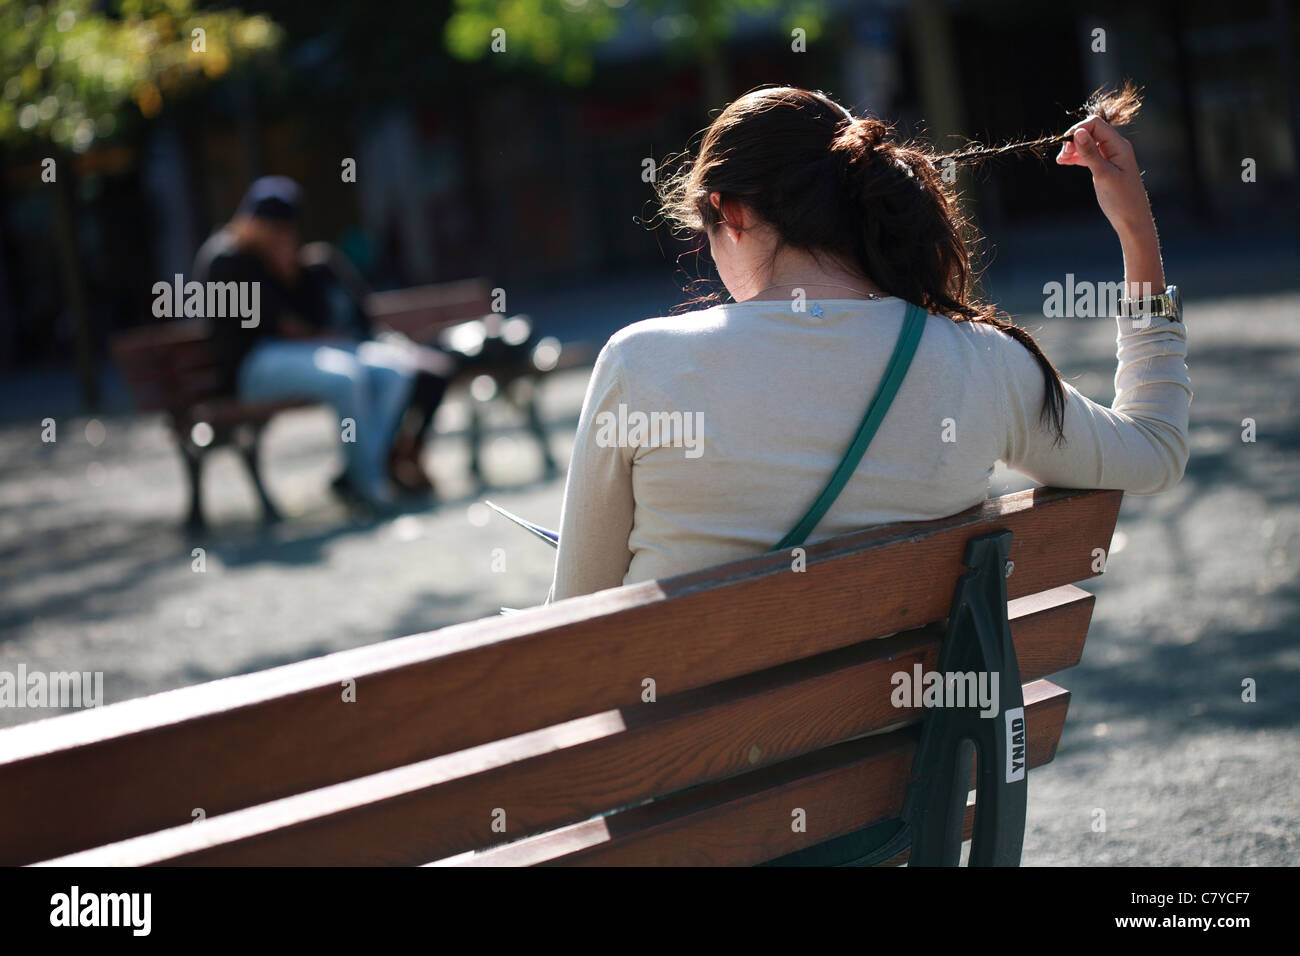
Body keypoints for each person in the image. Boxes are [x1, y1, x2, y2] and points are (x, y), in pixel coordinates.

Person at [548, 85, 1190, 602]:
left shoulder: (642, 365)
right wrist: (1138, 233)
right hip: (907, 760)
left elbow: (574, 624)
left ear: (732, 212)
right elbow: (1155, 450)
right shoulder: (982, 361)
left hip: (686, 763)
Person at [193, 177, 438, 508]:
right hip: (252, 365)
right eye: (272, 227)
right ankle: (370, 486)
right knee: (345, 377)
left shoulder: (268, 255)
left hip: (296, 354)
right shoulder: (227, 258)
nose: (282, 237)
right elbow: (282, 326)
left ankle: (362, 471)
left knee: (395, 371)